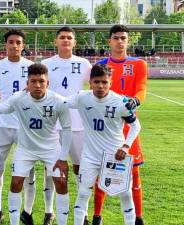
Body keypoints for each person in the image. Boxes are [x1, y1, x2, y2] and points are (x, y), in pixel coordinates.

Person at [0, 63, 72, 225]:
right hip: (25, 149)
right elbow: (1, 109)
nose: (37, 85)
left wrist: (63, 157)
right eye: (33, 81)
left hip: (52, 149)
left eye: (41, 81)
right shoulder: (18, 98)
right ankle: (14, 222)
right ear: (27, 83)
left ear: (48, 83)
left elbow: (67, 129)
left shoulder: (59, 101)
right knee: (16, 183)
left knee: (61, 183)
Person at [65, 64, 141, 225]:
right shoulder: (81, 97)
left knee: (125, 194)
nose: (100, 86)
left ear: (110, 83)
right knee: (83, 192)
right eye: (97, 82)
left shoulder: (120, 102)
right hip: (90, 156)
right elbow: (60, 103)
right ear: (90, 82)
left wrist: (126, 146)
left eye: (104, 82)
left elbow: (136, 126)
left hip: (115, 155)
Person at [94, 24, 148, 225]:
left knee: (133, 172)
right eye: (116, 38)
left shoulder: (139, 64)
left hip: (128, 127)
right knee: (102, 171)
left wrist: (135, 100)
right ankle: (97, 216)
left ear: (128, 41)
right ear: (110, 40)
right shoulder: (100, 64)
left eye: (123, 38)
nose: (120, 41)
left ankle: (138, 218)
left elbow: (142, 88)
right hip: (106, 128)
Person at [41, 26, 92, 225]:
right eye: (62, 37)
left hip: (78, 124)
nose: (65, 40)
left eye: (69, 38)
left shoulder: (83, 63)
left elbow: (97, 86)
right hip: (52, 125)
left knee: (81, 169)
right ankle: (49, 211)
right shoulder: (46, 63)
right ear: (55, 41)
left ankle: (83, 213)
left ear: (74, 42)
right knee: (52, 169)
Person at [0, 29, 34, 224]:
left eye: (18, 42)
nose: (14, 45)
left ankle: (26, 212)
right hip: (2, 125)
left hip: (24, 125)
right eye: (11, 42)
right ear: (5, 45)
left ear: (23, 45)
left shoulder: (31, 66)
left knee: (28, 170)